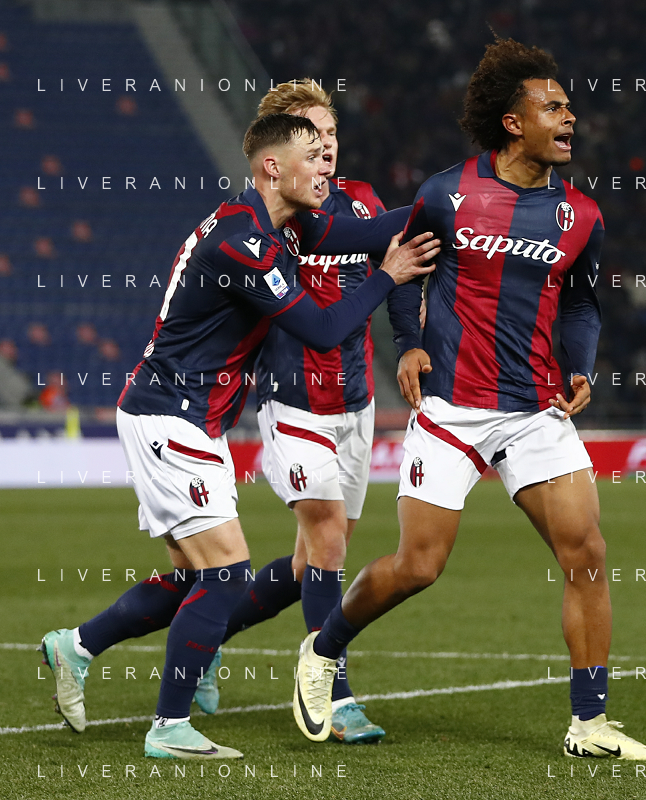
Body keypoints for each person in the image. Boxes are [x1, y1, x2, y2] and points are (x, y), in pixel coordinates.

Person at [291, 39, 646, 761]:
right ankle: (324, 648)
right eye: (552, 106)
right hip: (453, 409)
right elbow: (400, 264)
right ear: (512, 122)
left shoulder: (580, 215)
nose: (569, 116)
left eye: (568, 106)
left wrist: (580, 366)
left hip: (535, 412)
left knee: (587, 553)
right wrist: (410, 344)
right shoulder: (446, 193)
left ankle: (589, 724)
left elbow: (581, 304)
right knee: (418, 566)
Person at [38, 113, 439, 760]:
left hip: (190, 416)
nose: (325, 165)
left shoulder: (279, 223)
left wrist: (453, 203)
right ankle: (169, 727)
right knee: (226, 573)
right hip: (171, 413)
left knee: (192, 579)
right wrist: (386, 277)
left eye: (328, 148)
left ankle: (77, 647)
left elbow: (366, 230)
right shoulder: (243, 243)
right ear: (273, 168)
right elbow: (322, 329)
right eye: (311, 154)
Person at [194, 79, 389, 744]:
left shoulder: (362, 203)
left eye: (331, 133)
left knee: (314, 564)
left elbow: (398, 272)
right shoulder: (271, 220)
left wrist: (413, 342)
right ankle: (333, 692)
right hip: (293, 399)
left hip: (355, 403)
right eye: (311, 136)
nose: (325, 146)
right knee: (328, 538)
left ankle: (207, 636)